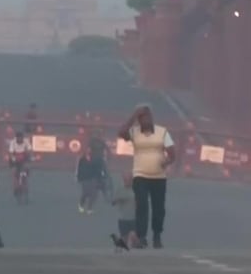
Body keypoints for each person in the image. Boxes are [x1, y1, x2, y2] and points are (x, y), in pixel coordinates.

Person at [118, 103, 177, 249]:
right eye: (142, 117)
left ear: (152, 118)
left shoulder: (162, 132)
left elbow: (172, 153)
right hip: (140, 175)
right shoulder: (134, 132)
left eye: (148, 117)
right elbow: (121, 133)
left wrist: (167, 161)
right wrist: (134, 114)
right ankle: (142, 237)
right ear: (139, 120)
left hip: (158, 176)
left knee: (158, 208)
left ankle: (157, 236)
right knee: (142, 206)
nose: (146, 120)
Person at [76, 146, 106, 214]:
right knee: (86, 193)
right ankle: (81, 205)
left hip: (93, 178)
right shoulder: (82, 159)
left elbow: (98, 169)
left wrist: (101, 177)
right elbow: (79, 169)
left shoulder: (95, 159)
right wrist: (78, 177)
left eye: (90, 150)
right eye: (87, 150)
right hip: (85, 178)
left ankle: (89, 208)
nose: (88, 151)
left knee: (94, 194)